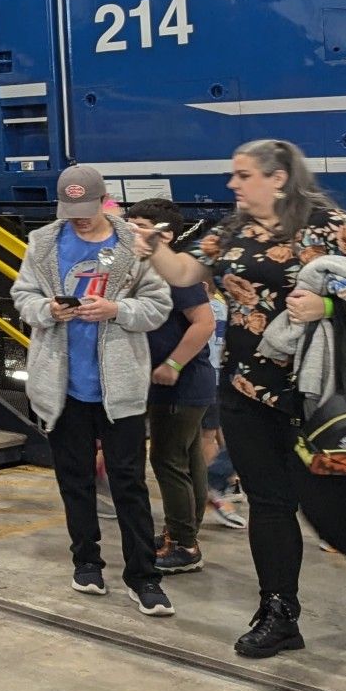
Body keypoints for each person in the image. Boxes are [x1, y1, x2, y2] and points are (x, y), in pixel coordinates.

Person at [133, 138, 346, 658]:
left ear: (278, 178)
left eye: (243, 175)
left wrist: (325, 306)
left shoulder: (332, 224)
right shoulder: (231, 228)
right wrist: (153, 246)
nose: (233, 184)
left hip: (316, 393)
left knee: (327, 506)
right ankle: (279, 613)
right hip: (245, 388)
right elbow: (187, 274)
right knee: (270, 504)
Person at [11, 165, 174, 615]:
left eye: (86, 210)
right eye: (70, 210)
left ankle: (144, 577)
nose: (78, 219)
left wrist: (116, 309)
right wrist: (47, 310)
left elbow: (158, 305)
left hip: (119, 387)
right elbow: (22, 296)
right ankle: (86, 561)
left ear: (103, 201)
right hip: (62, 388)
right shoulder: (43, 243)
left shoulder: (133, 245)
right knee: (74, 481)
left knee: (129, 483)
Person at [126, 198, 218, 575]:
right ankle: (181, 534)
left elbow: (204, 322)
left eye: (139, 224)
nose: (129, 229)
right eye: (128, 221)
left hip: (180, 384)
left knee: (168, 461)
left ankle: (183, 544)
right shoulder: (146, 267)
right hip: (184, 384)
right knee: (189, 461)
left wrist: (173, 364)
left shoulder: (174, 273)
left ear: (164, 234)